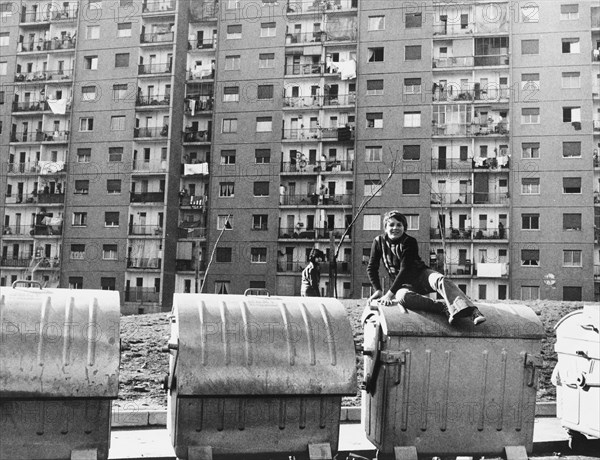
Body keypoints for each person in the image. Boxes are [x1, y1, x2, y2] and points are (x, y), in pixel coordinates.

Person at [367, 210, 486, 326]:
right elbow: (372, 267)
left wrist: (388, 295)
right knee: (402, 297)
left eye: (399, 225)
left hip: (422, 275)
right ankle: (445, 308)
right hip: (404, 285)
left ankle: (472, 312)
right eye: (391, 225)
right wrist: (378, 290)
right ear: (385, 228)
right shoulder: (378, 242)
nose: (395, 228)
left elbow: (405, 269)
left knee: (441, 280)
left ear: (404, 227)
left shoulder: (409, 241)